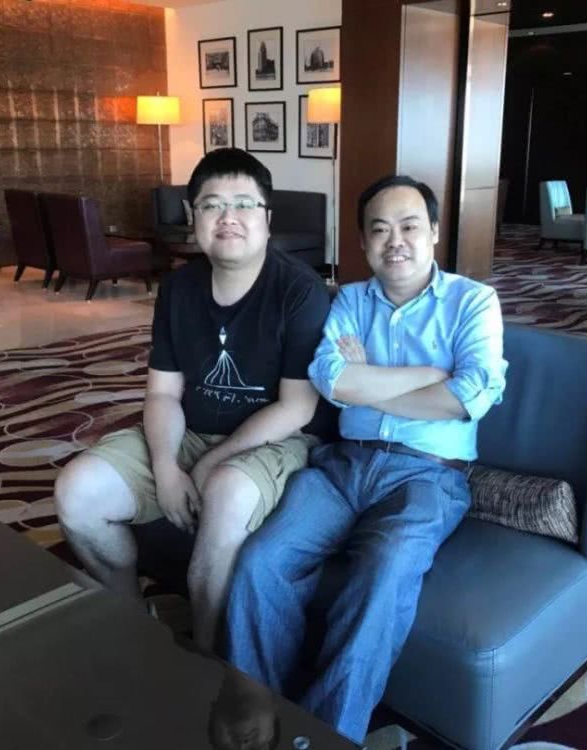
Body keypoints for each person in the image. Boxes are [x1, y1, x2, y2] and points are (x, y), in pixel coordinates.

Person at [224, 175, 507, 743]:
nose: (394, 241)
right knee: (261, 561)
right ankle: (259, 715)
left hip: (428, 476)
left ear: (434, 232)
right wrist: (429, 376)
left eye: (409, 226)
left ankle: (331, 736)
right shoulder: (351, 300)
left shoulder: (473, 301)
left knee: (384, 572)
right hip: (341, 467)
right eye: (379, 230)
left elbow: (469, 397)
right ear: (362, 241)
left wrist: (366, 383)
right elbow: (329, 380)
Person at [55, 148, 331, 652]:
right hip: (187, 432)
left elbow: (297, 407)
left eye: (244, 203)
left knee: (225, 492)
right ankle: (133, 620)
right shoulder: (179, 288)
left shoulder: (299, 289)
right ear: (193, 217)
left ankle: (206, 657)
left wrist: (212, 461)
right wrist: (165, 467)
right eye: (211, 205)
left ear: (267, 218)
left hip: (275, 440)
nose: (228, 217)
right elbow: (162, 391)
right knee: (77, 491)